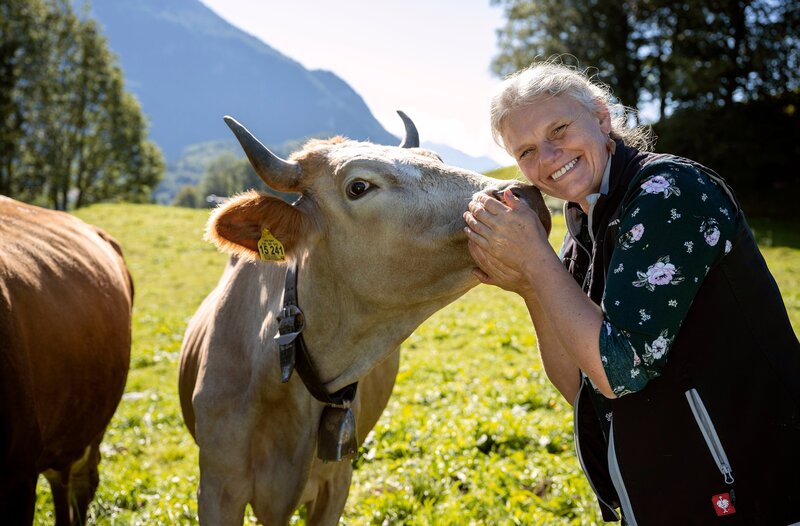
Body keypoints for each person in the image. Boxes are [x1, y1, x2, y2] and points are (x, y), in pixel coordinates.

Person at [463, 61, 800, 525]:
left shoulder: (669, 191)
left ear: (601, 118)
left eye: (559, 129)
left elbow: (617, 371)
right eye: (527, 151)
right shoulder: (582, 228)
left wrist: (536, 261)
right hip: (667, 496)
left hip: (759, 490)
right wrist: (530, 285)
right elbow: (579, 386)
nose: (549, 156)